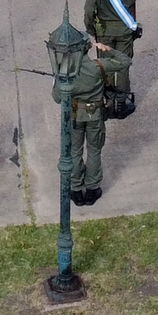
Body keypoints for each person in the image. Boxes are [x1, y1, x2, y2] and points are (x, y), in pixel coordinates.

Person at [83, 0, 153, 111]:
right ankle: (121, 103)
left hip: (104, 32)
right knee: (122, 65)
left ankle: (107, 102)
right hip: (124, 31)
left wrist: (91, 31)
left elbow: (88, 10)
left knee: (104, 65)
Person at [53, 20, 108, 206]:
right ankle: (92, 187)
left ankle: (76, 187)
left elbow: (57, 97)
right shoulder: (97, 67)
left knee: (74, 152)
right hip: (95, 113)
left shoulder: (65, 70)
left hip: (75, 114)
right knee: (94, 150)